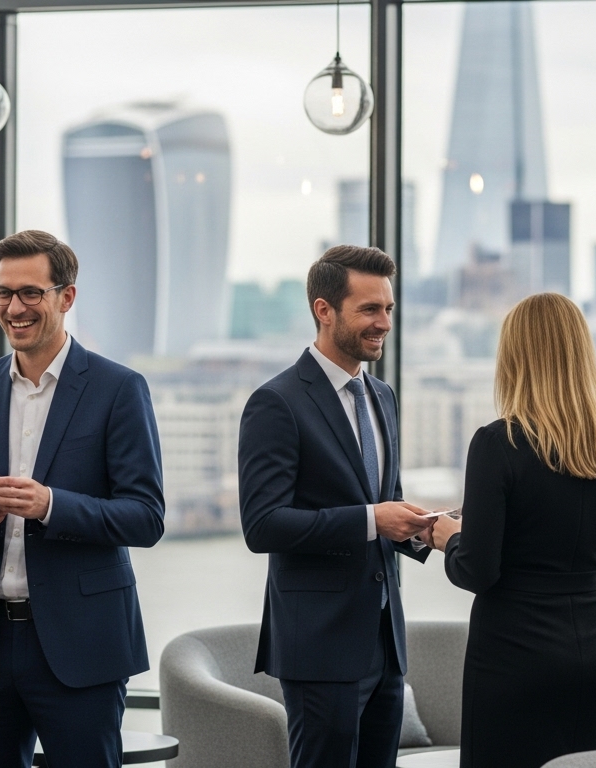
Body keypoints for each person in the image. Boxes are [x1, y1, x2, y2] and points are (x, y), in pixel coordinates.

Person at [0, 230, 166, 768]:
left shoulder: (119, 388)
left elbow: (146, 517)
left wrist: (50, 505)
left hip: (82, 645)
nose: (14, 308)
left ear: (66, 297)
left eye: (30, 293)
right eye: (3, 293)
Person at [421, 292, 596, 768]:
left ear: (515, 357)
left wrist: (449, 537)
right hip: (591, 653)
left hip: (512, 657)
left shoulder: (497, 443)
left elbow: (477, 571)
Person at [238, 245, 433, 768]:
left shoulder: (382, 396)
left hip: (385, 642)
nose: (384, 323)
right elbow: (262, 525)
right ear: (324, 311)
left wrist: (418, 527)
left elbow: (381, 500)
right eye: (370, 309)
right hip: (320, 647)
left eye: (388, 309)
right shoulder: (276, 402)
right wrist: (372, 520)